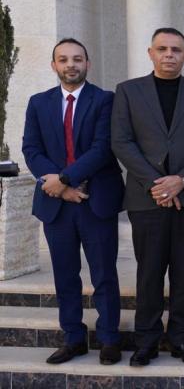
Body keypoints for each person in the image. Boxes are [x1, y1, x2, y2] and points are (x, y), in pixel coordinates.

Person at [111, 27, 184, 367]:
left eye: (176, 50)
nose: (169, 54)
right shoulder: (128, 91)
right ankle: (146, 340)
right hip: (147, 198)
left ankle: (183, 337)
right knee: (150, 271)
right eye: (162, 49)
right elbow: (121, 141)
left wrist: (181, 180)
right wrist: (158, 183)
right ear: (150, 53)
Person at [22, 38, 124, 365]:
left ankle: (109, 339)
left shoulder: (105, 100)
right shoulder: (38, 103)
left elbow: (102, 148)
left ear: (87, 64)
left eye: (77, 59)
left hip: (96, 200)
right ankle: (74, 339)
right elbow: (31, 149)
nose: (71, 65)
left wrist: (64, 179)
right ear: (54, 65)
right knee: (65, 275)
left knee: (104, 274)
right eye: (63, 59)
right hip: (56, 205)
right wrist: (59, 187)